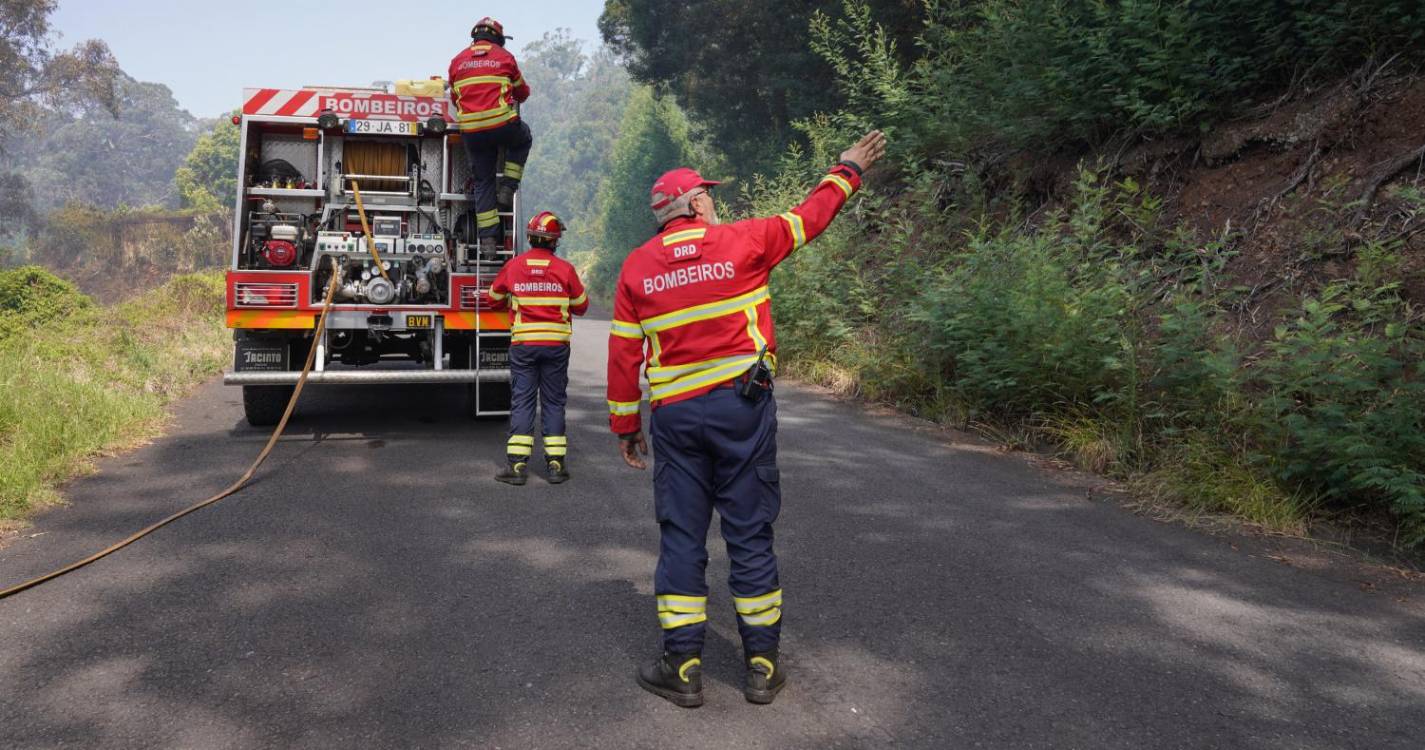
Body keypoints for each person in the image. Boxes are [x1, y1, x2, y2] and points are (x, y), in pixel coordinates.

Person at [606, 130, 888, 707]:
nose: (714, 201)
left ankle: (682, 669)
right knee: (750, 533)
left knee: (682, 537)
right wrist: (848, 169)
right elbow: (811, 217)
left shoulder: (636, 268)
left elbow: (622, 355)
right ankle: (762, 666)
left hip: (676, 421)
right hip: (742, 411)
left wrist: (624, 428)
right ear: (698, 205)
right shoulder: (745, 241)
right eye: (708, 195)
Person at [487, 211, 589, 485]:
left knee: (523, 401)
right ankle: (556, 465)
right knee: (554, 403)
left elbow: (493, 298)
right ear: (555, 241)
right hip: (556, 346)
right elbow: (582, 305)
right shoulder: (565, 269)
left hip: (524, 346)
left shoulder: (515, 265)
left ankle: (517, 467)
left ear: (530, 237)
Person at [448, 17, 532, 256]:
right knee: (523, 138)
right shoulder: (505, 58)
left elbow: (455, 99)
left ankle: (487, 243)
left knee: (483, 182)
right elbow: (523, 93)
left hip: (472, 132)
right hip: (502, 125)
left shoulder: (457, 62)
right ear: (498, 38)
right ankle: (507, 188)